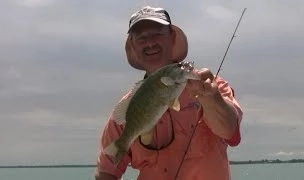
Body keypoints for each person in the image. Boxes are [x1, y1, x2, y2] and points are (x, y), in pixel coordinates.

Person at [95, 6, 243, 180]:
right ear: (133, 46)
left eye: (156, 33)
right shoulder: (129, 107)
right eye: (141, 38)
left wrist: (211, 98)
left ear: (171, 37)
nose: (149, 42)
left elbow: (230, 133)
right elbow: (107, 171)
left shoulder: (211, 86)